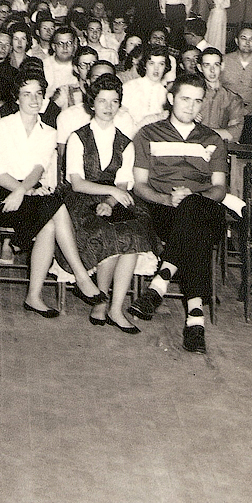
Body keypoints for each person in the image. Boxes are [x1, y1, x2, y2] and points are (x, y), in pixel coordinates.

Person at [0, 73, 108, 318]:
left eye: (38, 94)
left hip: (29, 192)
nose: (33, 99)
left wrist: (24, 191)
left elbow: (38, 169)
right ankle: (81, 276)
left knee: (50, 224)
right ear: (16, 98)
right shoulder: (2, 126)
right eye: (26, 94)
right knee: (54, 207)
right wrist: (20, 191)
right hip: (2, 194)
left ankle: (34, 297)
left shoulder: (48, 132)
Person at [128, 76, 228, 354]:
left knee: (193, 209)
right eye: (185, 98)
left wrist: (193, 198)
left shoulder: (212, 139)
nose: (191, 106)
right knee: (192, 231)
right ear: (171, 98)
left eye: (198, 100)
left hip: (206, 209)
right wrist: (166, 198)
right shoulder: (148, 134)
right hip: (163, 210)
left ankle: (161, 281)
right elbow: (139, 185)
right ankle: (195, 317)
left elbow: (219, 189)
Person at [63, 73, 160, 333]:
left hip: (114, 198)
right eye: (102, 101)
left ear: (119, 105)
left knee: (133, 232)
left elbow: (123, 183)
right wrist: (108, 194)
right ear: (91, 103)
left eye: (114, 102)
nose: (108, 107)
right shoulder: (77, 138)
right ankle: (100, 301)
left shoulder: (125, 143)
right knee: (106, 232)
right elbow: (76, 183)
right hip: (81, 200)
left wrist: (110, 199)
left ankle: (116, 308)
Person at [220, 25, 252, 116]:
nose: (247, 42)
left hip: (249, 113)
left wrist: (247, 110)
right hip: (222, 108)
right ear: (237, 41)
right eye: (243, 38)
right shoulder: (224, 60)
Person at [196, 48, 244, 142]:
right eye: (207, 65)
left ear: (222, 66)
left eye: (216, 65)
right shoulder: (192, 96)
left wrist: (199, 132)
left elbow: (234, 135)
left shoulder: (233, 99)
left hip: (221, 149)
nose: (212, 70)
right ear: (200, 67)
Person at [121, 44, 172, 133]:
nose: (156, 68)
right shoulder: (129, 87)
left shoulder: (166, 94)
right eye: (151, 63)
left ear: (165, 67)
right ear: (145, 65)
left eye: (161, 64)